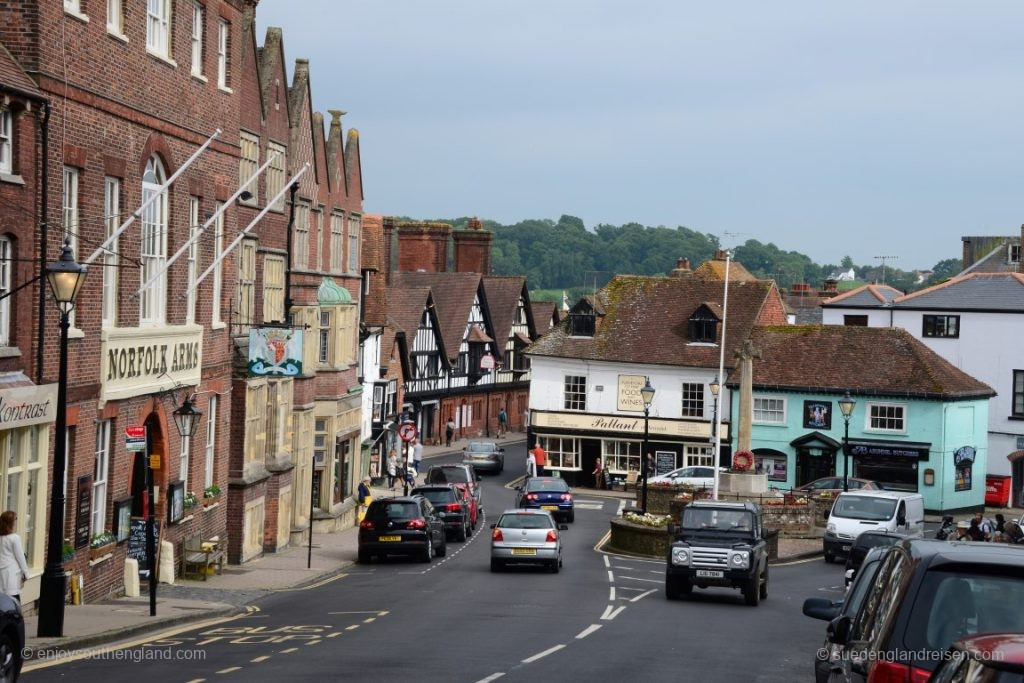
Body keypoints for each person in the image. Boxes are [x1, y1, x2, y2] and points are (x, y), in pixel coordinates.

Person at [0, 510, 29, 603]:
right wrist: (26, 573)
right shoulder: (14, 538)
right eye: (15, 520)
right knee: (14, 602)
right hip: (11, 574)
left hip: (2, 573)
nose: (16, 522)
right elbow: (20, 557)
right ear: (10, 522)